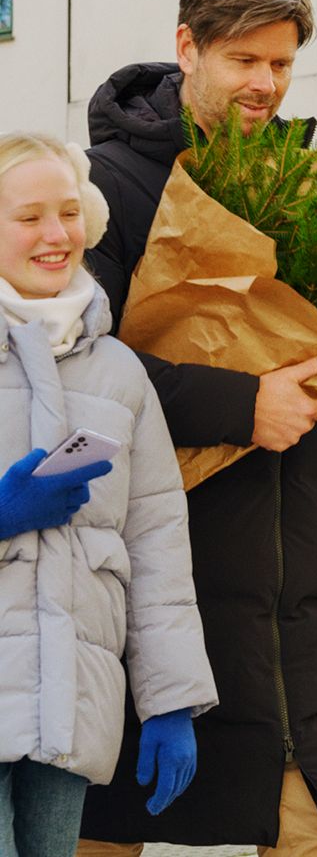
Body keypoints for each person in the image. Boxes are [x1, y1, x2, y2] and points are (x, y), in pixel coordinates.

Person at [75, 0, 317, 856]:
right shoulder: (103, 190)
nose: (266, 84)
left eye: (281, 64)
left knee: (307, 828)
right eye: (245, 60)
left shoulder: (306, 188)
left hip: (289, 598)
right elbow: (76, 371)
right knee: (104, 828)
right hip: (152, 592)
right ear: (186, 48)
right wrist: (240, 404)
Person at [0, 132, 217, 857]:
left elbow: (155, 540)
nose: (55, 235)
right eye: (29, 216)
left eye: (67, 212)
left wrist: (170, 700)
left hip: (69, 708)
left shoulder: (118, 373)